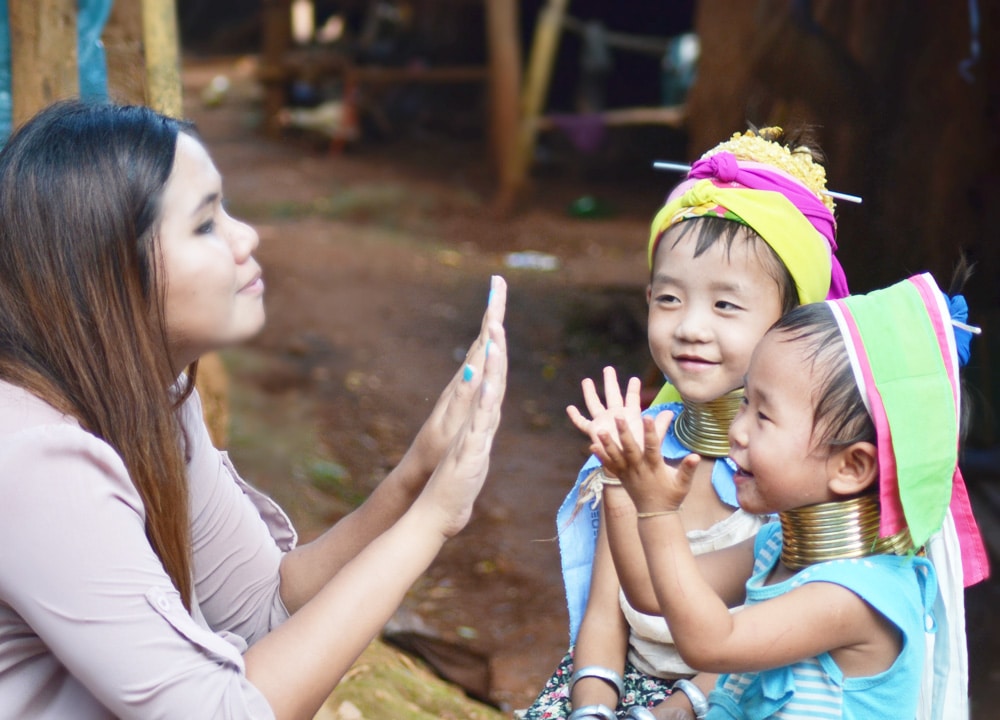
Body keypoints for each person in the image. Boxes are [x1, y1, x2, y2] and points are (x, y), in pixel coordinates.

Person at [0, 99, 508, 720]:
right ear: (109, 272)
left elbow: (266, 609)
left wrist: (413, 478)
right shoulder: (34, 462)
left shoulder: (151, 397)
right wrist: (433, 520)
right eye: (206, 223)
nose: (247, 237)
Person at [522, 126, 850, 720]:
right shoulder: (638, 439)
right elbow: (608, 613)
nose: (690, 327)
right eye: (669, 299)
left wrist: (672, 711)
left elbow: (739, 636)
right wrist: (593, 705)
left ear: (795, 320)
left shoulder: (796, 472)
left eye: (726, 305)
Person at [590, 272, 989, 719]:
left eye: (764, 415)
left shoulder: (857, 594)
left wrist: (660, 510)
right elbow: (647, 589)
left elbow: (711, 643)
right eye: (745, 402)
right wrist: (619, 477)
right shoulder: (776, 545)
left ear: (852, 466)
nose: (737, 431)